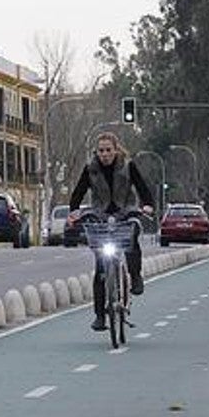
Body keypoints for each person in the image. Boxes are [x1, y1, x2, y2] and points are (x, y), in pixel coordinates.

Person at [66, 131, 156, 331]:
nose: (104, 154)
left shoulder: (128, 166)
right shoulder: (90, 170)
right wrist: (74, 212)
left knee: (132, 237)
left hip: (126, 211)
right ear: (96, 152)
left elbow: (143, 189)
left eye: (108, 150)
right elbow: (78, 193)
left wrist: (148, 205)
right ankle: (100, 316)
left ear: (116, 150)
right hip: (100, 215)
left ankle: (135, 275)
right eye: (101, 151)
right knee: (100, 268)